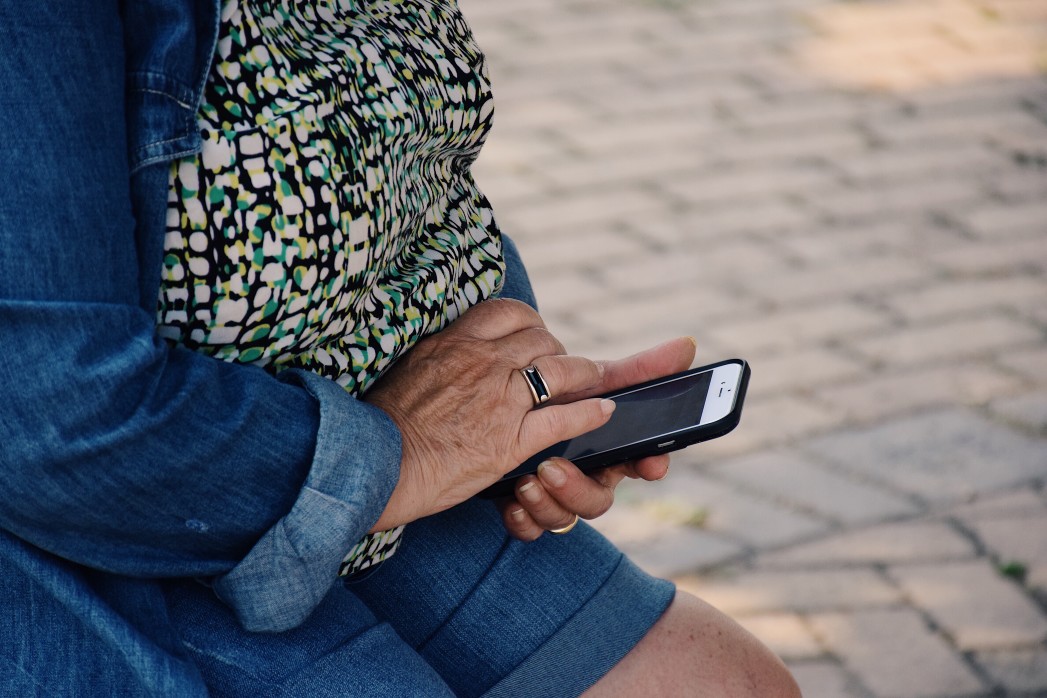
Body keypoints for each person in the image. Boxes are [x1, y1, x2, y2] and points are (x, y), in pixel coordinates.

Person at [0, 1, 800, 695]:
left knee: (728, 683)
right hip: (112, 515)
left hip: (358, 453)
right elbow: (57, 420)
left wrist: (507, 405)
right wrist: (403, 455)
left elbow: (417, 166)